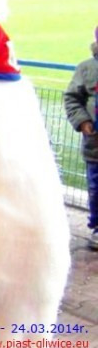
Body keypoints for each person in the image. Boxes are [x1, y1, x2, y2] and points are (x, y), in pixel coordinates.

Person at [65, 26, 98, 250]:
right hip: (95, 146)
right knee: (96, 189)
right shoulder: (86, 69)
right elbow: (72, 98)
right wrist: (83, 122)